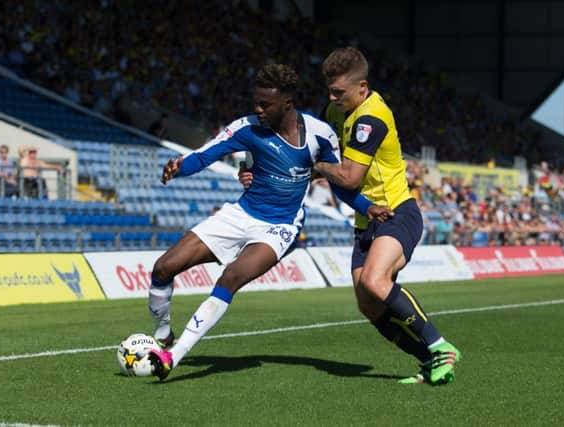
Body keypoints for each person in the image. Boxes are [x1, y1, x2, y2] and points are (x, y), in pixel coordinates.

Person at [146, 64, 391, 380]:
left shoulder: (320, 135)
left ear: (287, 102)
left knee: (230, 277)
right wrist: (179, 168)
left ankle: (173, 356)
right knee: (163, 267)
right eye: (256, 102)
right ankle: (163, 333)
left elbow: (339, 182)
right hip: (240, 214)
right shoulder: (247, 128)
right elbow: (207, 153)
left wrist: (366, 206)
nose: (257, 109)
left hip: (280, 226)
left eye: (265, 104)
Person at [240, 48, 461, 385]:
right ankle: (429, 361)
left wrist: (316, 167)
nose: (331, 98)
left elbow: (349, 177)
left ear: (362, 87)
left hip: (396, 212)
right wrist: (258, 167)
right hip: (365, 220)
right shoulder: (335, 110)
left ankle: (440, 345)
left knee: (375, 281)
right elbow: (305, 146)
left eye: (339, 92)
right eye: (329, 91)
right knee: (368, 305)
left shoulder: (371, 118)